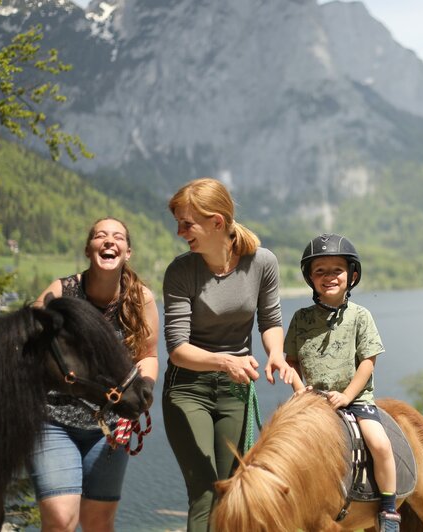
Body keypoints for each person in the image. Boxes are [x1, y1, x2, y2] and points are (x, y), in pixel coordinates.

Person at [161, 177, 294, 531]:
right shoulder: (180, 272)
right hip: (188, 389)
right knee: (205, 492)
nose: (179, 232)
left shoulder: (262, 262)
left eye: (186, 224)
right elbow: (177, 350)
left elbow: (270, 320)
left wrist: (276, 354)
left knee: (233, 490)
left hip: (234, 390)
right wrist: (224, 361)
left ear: (216, 222)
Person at [28, 217, 159, 532]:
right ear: (89, 249)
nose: (109, 241)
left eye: (117, 237)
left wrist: (142, 396)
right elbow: (30, 342)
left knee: (99, 523)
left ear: (128, 252)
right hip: (53, 421)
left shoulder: (141, 298)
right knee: (61, 519)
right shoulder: (61, 292)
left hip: (111, 429)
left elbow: (148, 356)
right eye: (100, 236)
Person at [283, 233, 402, 532]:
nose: (329, 277)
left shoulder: (361, 316)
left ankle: (388, 510)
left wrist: (348, 395)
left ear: (352, 275)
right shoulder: (300, 318)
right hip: (313, 402)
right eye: (319, 271)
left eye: (337, 270)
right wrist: (301, 390)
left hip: (357, 399)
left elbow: (368, 361)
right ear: (310, 279)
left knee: (379, 444)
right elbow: (291, 361)